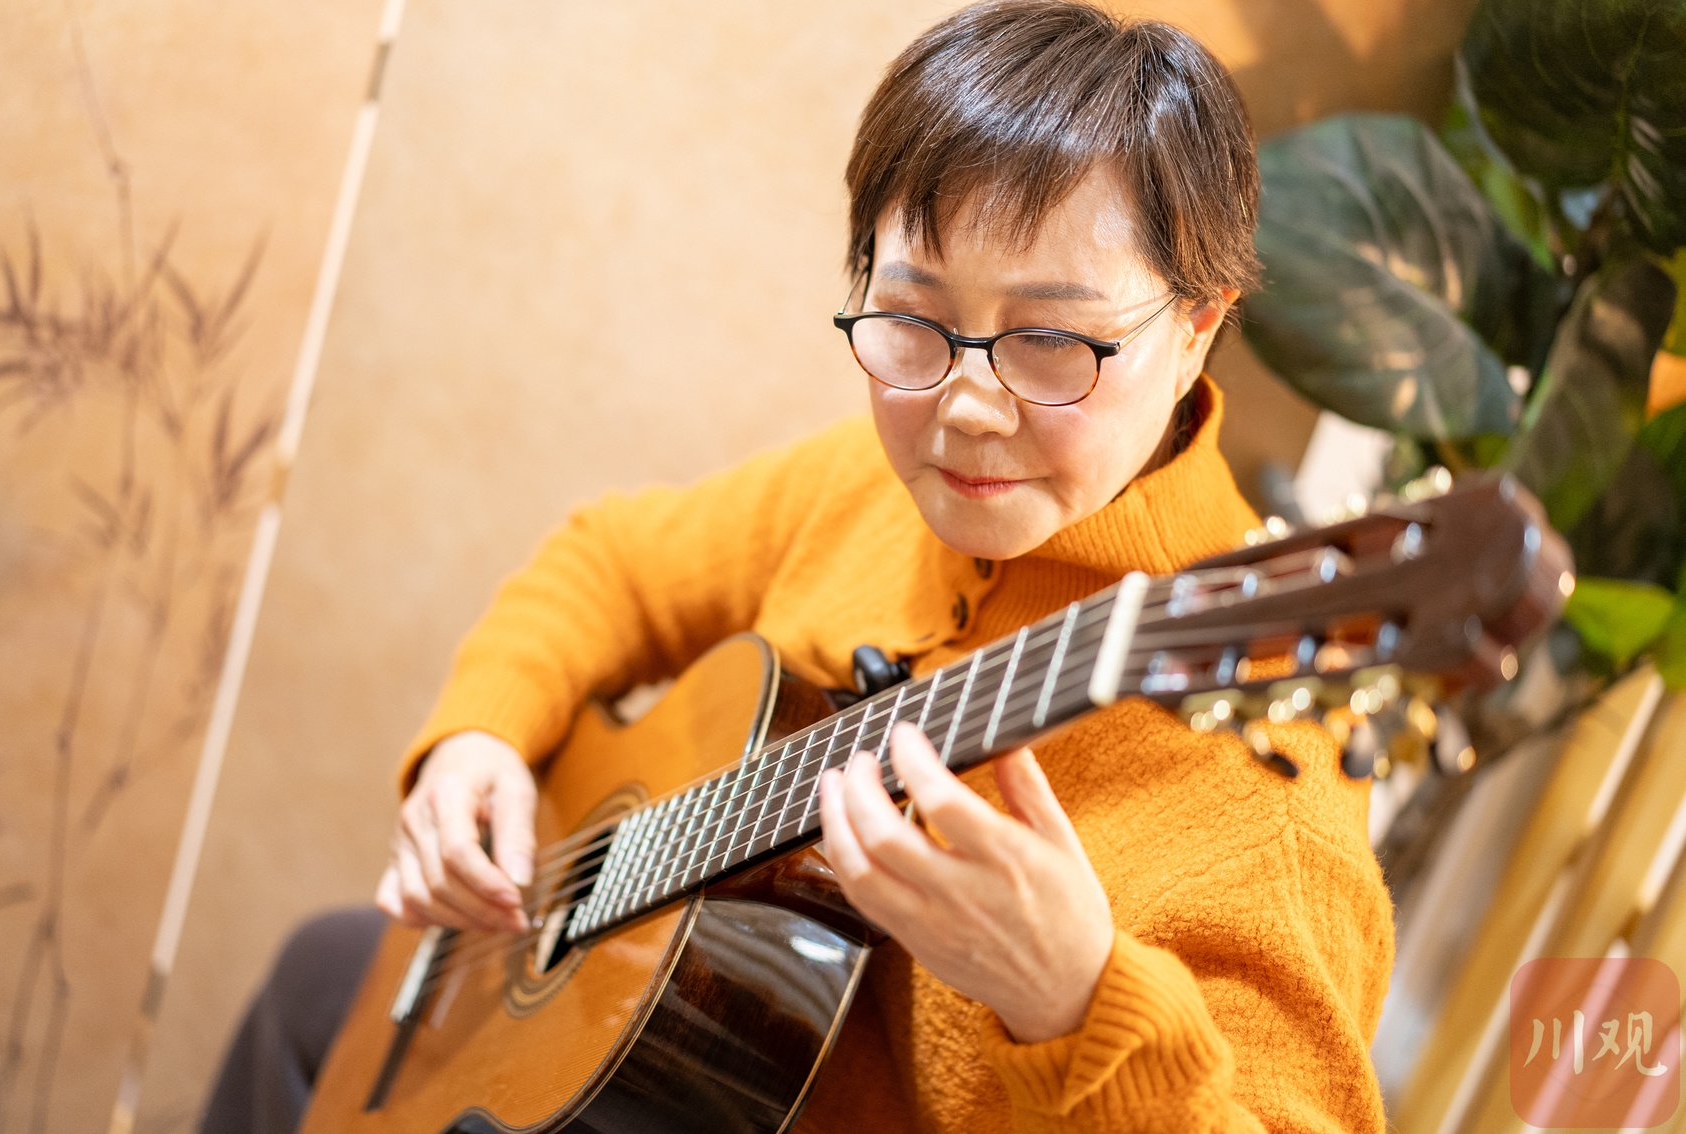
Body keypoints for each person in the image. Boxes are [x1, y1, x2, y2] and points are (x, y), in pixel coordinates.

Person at [203, 3, 1393, 1131]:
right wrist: (482, 739)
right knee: (319, 978)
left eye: (1048, 341)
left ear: (1194, 327)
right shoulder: (883, 482)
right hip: (646, 1062)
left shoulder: (1270, 798)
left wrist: (1075, 1003)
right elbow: (614, 563)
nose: (965, 408)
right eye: (913, 320)